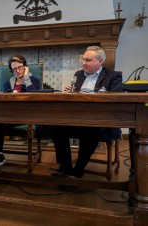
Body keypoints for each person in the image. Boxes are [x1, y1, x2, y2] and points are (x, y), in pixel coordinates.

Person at [50, 46, 123, 178]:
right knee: (56, 126)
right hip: (77, 118)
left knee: (90, 128)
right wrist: (70, 93)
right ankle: (65, 167)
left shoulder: (113, 76)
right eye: (83, 60)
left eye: (88, 60)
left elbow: (116, 99)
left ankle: (78, 170)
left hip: (101, 121)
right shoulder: (78, 75)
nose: (84, 63)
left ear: (100, 62)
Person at [0, 55, 41, 183]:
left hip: (25, 115)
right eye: (14, 69)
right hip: (7, 116)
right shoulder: (8, 82)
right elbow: (2, 101)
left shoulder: (34, 80)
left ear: (25, 67)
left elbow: (34, 96)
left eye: (20, 67)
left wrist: (26, 78)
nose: (17, 71)